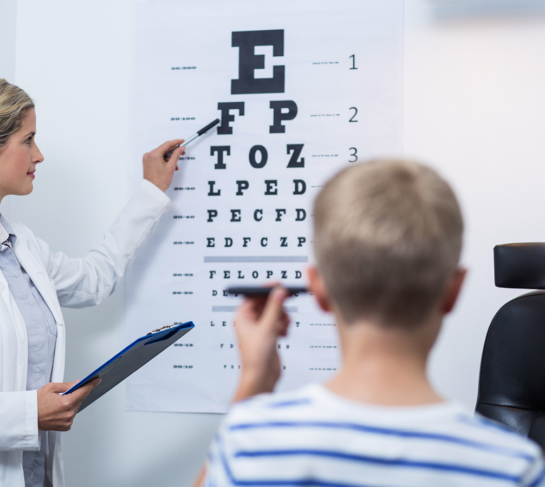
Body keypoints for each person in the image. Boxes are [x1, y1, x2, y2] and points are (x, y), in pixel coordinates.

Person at [0, 76, 185, 487]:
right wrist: (26, 414)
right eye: (28, 140)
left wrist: (150, 191)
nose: (40, 154)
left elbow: (94, 280)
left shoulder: (22, 246)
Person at [196, 160, 545, 486]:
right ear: (453, 290)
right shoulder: (513, 465)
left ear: (318, 290)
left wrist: (254, 381)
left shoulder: (250, 443)